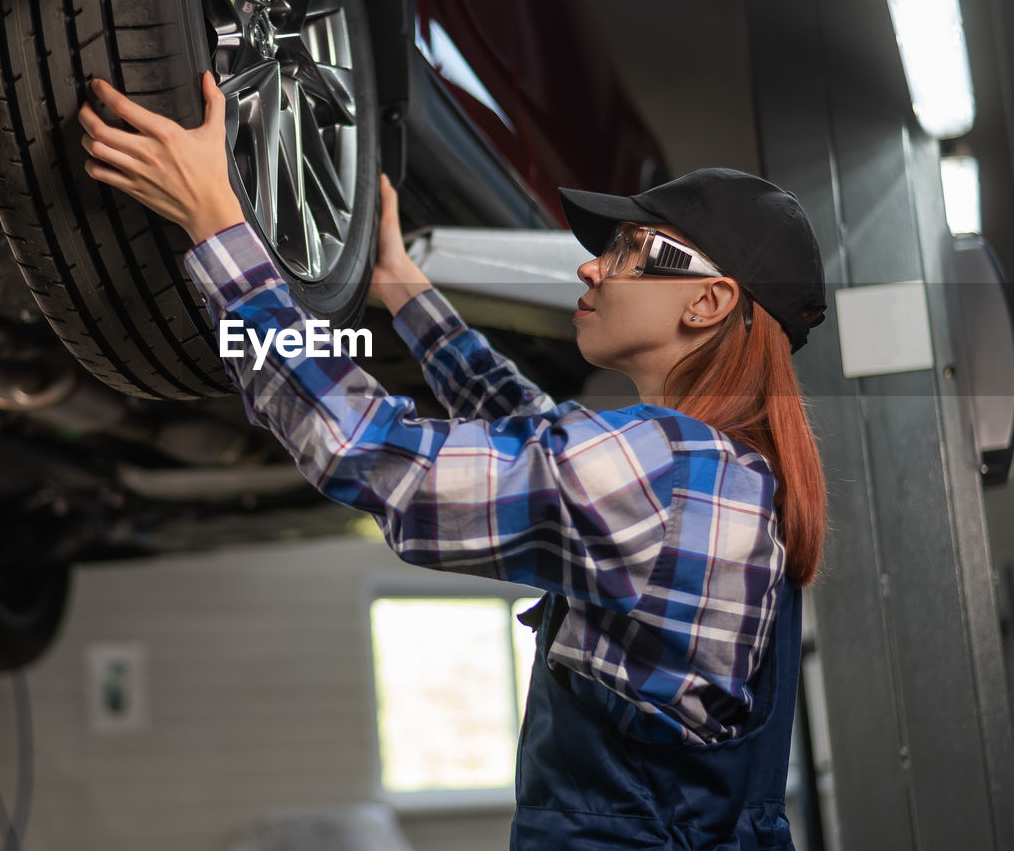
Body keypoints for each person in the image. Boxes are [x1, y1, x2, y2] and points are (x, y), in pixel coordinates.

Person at [78, 72, 829, 851]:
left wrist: (220, 232)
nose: (592, 267)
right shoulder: (721, 478)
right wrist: (403, 292)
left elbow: (366, 449)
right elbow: (535, 433)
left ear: (707, 302)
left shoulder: (669, 471)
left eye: (632, 251)